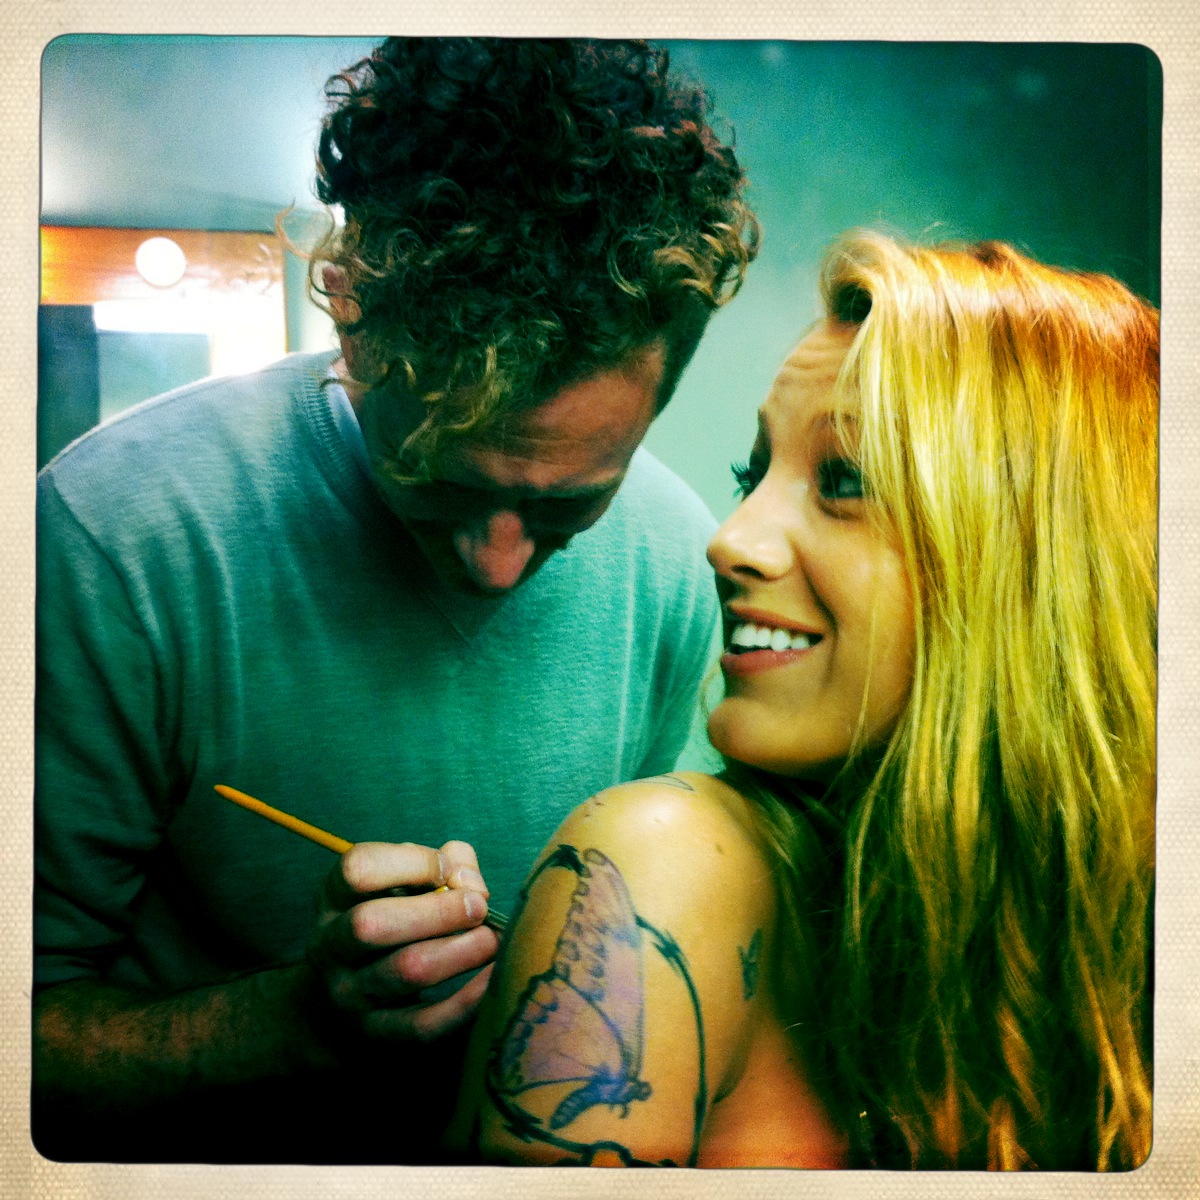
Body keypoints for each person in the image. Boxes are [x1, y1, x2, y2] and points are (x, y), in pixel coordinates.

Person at [33, 37, 758, 1162]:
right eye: (439, 480)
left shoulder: (673, 561)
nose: (496, 566)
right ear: (351, 315)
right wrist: (294, 1024)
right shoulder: (114, 537)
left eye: (570, 506)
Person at [450, 232, 1157, 1170]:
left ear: (1040, 567)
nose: (730, 540)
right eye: (753, 475)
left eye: (844, 480)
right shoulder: (664, 863)